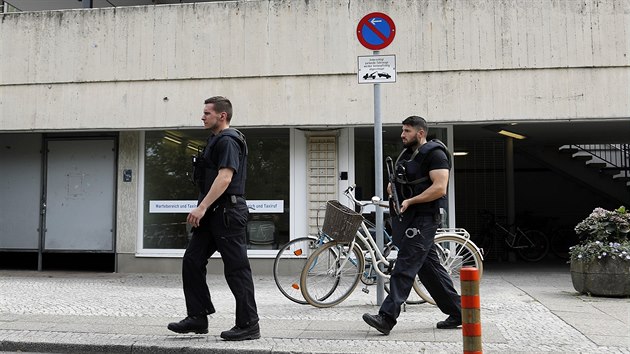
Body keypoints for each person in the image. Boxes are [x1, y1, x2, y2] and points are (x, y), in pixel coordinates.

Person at [168, 96, 260, 341]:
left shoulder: (229, 141)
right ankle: (198, 317)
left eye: (207, 113)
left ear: (222, 116)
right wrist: (205, 209)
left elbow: (225, 178)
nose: (202, 116)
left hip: (227, 213)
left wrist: (201, 207)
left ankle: (249, 324)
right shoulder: (216, 140)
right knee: (192, 260)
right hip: (213, 213)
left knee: (237, 269)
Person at [363, 116, 462, 334]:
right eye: (402, 130)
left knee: (405, 267)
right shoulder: (407, 154)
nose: (402, 134)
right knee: (430, 271)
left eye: (407, 131)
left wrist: (410, 201)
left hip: (425, 219)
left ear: (420, 133)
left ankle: (386, 318)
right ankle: (460, 312)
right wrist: (393, 188)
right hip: (409, 219)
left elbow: (439, 188)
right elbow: (402, 181)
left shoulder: (435, 154)